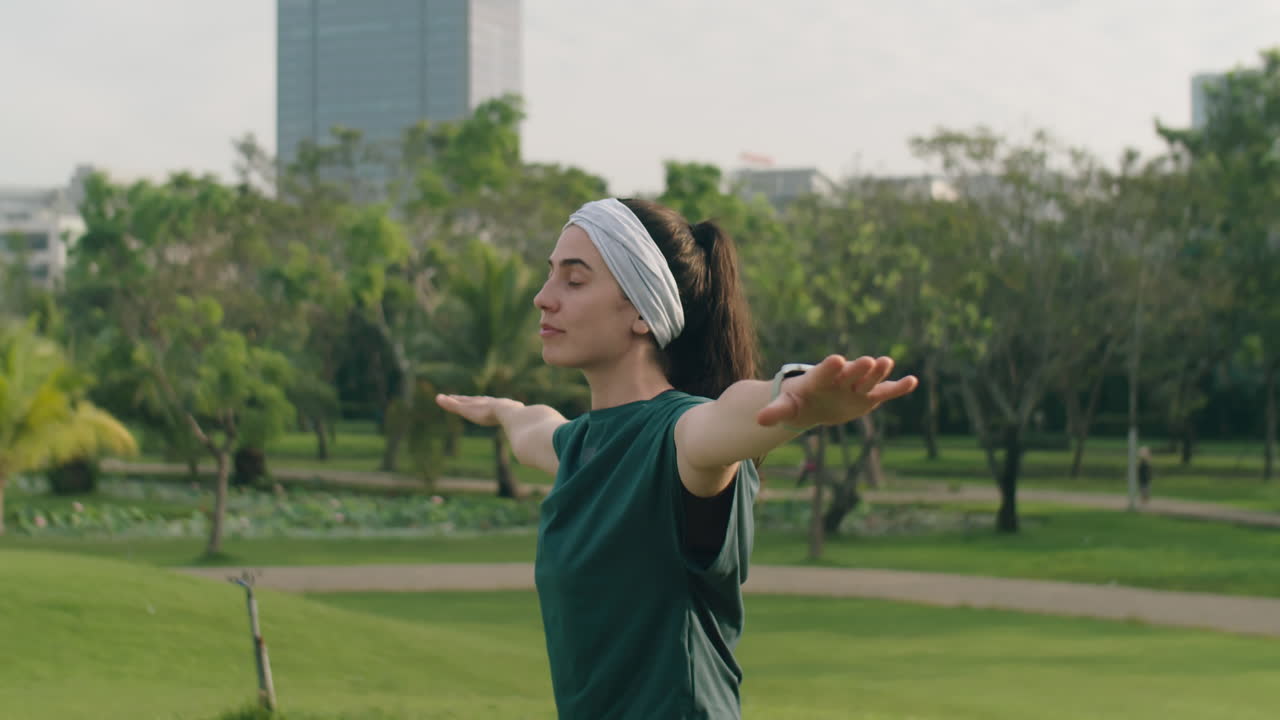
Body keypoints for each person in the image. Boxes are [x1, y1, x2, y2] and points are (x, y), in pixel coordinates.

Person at [435, 197, 918, 719]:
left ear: (643, 311)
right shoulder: (582, 447)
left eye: (574, 281)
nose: (542, 298)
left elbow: (727, 415)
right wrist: (503, 411)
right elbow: (537, 428)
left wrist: (796, 396)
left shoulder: (679, 434)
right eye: (550, 275)